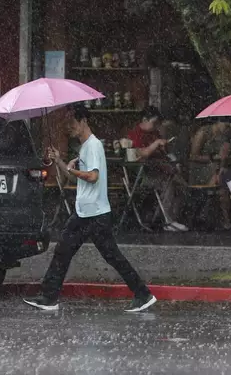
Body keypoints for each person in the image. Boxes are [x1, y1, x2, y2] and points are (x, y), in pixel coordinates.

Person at [24, 105, 157, 312]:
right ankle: (142, 293)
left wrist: (73, 171)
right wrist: (59, 160)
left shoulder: (92, 146)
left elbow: (93, 177)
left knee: (75, 253)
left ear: (84, 120)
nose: (70, 128)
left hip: (92, 213)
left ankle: (49, 297)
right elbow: (76, 179)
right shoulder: (84, 147)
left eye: (73, 124)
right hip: (88, 211)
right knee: (73, 252)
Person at [128, 106, 189, 232]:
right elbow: (141, 154)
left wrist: (172, 160)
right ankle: (167, 220)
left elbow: (165, 153)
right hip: (145, 174)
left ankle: (167, 218)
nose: (156, 126)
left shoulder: (155, 133)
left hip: (162, 169)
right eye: (154, 123)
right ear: (145, 120)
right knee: (170, 183)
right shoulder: (135, 134)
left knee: (181, 184)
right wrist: (155, 144)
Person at [190, 121, 231, 229]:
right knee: (220, 182)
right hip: (201, 168)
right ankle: (224, 218)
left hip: (217, 167)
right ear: (218, 122)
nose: (228, 127)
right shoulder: (203, 132)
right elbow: (193, 156)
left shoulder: (226, 136)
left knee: (226, 177)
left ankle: (224, 216)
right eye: (226, 124)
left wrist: (222, 161)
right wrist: (213, 157)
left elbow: (224, 157)